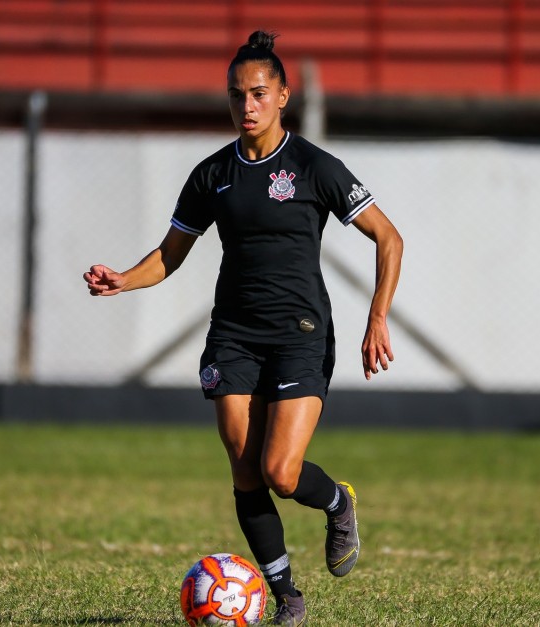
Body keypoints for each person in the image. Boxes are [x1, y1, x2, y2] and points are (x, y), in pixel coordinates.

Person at [83, 30, 403, 625]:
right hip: (233, 334)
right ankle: (286, 599)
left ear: (284, 95)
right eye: (237, 96)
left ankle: (338, 502)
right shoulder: (212, 175)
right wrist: (122, 279)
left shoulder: (313, 166)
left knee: (281, 472)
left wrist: (376, 316)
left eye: (259, 93)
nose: (247, 105)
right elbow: (170, 253)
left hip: (301, 333)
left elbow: (389, 236)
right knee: (243, 463)